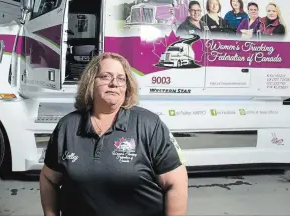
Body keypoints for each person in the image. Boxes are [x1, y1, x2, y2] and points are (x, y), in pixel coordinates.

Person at [39, 52, 188, 216]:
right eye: (105, 77)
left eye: (121, 79)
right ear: (90, 82)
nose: (114, 84)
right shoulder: (68, 126)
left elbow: (176, 182)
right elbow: (48, 178)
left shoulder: (149, 125)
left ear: (126, 87)